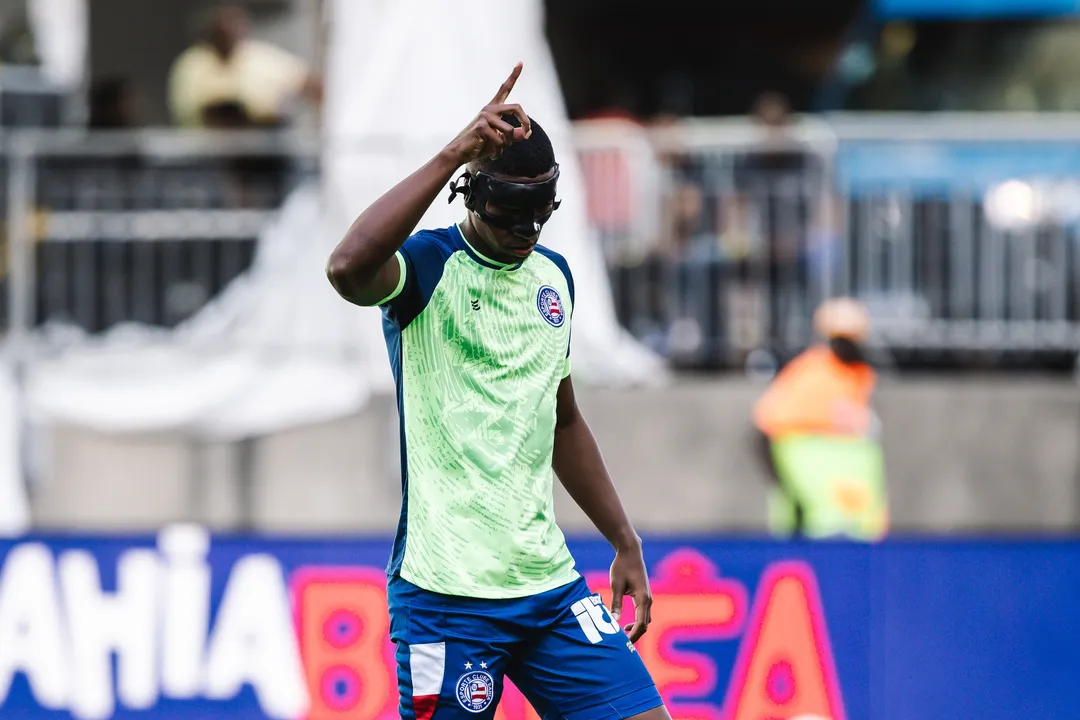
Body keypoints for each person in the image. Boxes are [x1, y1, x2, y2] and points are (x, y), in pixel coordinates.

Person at [326, 64, 669, 720]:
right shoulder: (425, 267)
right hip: (446, 594)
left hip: (547, 587)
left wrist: (624, 540)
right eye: (511, 213)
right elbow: (346, 267)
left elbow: (564, 420)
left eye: (542, 212)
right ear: (470, 193)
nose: (527, 231)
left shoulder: (555, 279)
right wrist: (455, 149)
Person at [752, 298, 889, 541]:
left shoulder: (850, 371)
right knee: (822, 519)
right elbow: (772, 415)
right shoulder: (815, 367)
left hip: (807, 446)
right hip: (797, 443)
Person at [167, 3, 323, 129]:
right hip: (210, 160)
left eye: (235, 24)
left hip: (267, 158)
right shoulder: (193, 64)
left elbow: (312, 84)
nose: (230, 31)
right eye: (225, 25)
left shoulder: (259, 57)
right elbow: (214, 115)